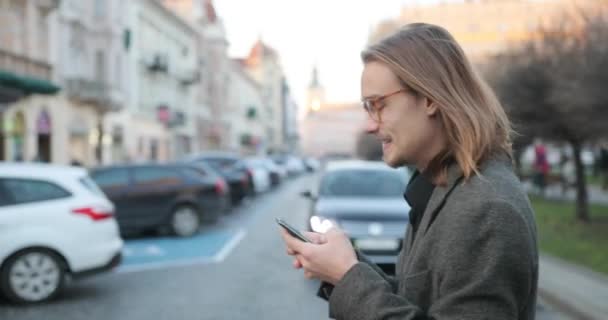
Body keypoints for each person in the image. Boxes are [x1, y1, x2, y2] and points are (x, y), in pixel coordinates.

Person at [279, 23, 538, 319]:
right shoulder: (441, 188)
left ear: (429, 97)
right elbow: (416, 300)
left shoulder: (487, 209)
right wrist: (342, 266)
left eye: (379, 105)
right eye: (367, 107)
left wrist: (348, 275)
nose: (369, 125)